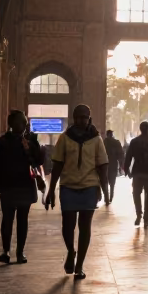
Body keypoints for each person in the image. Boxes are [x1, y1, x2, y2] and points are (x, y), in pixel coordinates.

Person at [46, 104, 110, 280]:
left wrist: (104, 189)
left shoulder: (96, 139)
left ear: (89, 119)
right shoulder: (65, 138)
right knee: (68, 226)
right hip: (68, 186)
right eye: (78, 117)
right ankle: (71, 251)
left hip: (89, 187)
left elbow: (102, 165)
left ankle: (80, 265)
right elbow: (57, 165)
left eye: (85, 117)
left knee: (85, 226)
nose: (82, 120)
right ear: (73, 119)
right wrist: (51, 190)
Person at [0, 110, 44, 264]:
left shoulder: (29, 141)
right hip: (8, 186)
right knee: (7, 219)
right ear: (12, 124)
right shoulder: (3, 142)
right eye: (22, 122)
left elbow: (39, 161)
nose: (24, 125)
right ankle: (6, 251)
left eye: (25, 122)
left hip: (24, 186)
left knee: (22, 220)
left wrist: (33, 145)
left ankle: (20, 252)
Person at [124, 121, 148, 227]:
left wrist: (127, 170)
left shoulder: (134, 141)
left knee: (136, 194)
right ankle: (147, 218)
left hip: (138, 172)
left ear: (140, 129)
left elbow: (128, 157)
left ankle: (138, 214)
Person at [103, 130, 124, 205]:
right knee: (112, 182)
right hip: (113, 164)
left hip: (104, 165)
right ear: (112, 134)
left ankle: (106, 198)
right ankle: (111, 196)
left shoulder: (103, 142)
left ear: (107, 134)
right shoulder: (116, 142)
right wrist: (121, 165)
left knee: (105, 182)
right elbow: (120, 154)